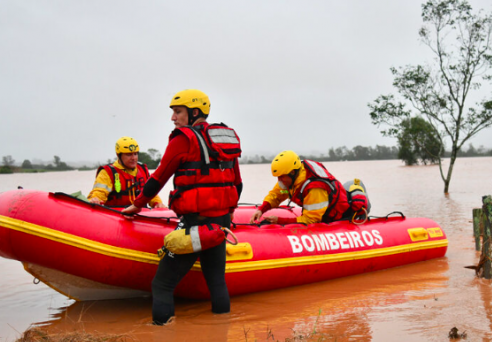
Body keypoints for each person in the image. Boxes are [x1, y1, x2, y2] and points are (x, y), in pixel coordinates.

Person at [122, 89, 242, 325]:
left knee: (162, 284)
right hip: (221, 224)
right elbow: (237, 182)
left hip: (195, 224)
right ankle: (222, 337)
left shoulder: (182, 139)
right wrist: (228, 213)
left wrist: (136, 206)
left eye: (178, 112)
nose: (173, 118)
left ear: (194, 112)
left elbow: (158, 177)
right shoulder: (223, 139)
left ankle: (163, 341)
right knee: (216, 281)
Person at [249, 150, 351, 225]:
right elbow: (276, 195)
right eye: (277, 177)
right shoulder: (289, 179)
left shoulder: (315, 188)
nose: (279, 180)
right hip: (318, 215)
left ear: (293, 172)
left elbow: (311, 220)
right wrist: (261, 210)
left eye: (281, 177)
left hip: (336, 219)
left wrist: (280, 221)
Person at [88, 137, 167, 209]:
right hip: (117, 216)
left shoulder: (143, 169)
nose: (133, 158)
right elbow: (99, 192)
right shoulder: (107, 172)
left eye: (135, 154)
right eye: (129, 155)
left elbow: (150, 193)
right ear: (118, 155)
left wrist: (157, 203)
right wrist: (95, 199)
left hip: (140, 215)